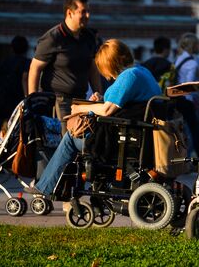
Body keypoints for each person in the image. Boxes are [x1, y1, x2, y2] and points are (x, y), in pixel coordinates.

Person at [24, 39, 161, 196]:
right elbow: (126, 105)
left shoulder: (128, 76)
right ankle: (57, 185)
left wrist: (80, 107)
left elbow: (108, 110)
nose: (106, 74)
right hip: (138, 137)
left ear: (110, 63)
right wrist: (102, 99)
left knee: (70, 138)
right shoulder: (143, 71)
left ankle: (46, 187)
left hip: (122, 142)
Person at [28, 0, 102, 135]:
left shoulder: (89, 37)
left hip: (81, 100)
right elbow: (34, 68)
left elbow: (92, 68)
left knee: (82, 140)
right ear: (69, 12)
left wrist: (98, 93)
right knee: (64, 141)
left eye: (88, 11)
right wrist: (33, 100)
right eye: (83, 11)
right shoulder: (53, 37)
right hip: (59, 101)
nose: (88, 15)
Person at [0, 35, 31, 133]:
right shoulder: (27, 62)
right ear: (26, 48)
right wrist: (27, 97)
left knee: (1, 125)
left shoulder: (6, 61)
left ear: (12, 48)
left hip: (3, 99)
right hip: (18, 98)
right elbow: (24, 78)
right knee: (16, 126)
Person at [174, 33, 199, 158]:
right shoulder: (192, 63)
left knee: (183, 130)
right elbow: (189, 84)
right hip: (188, 100)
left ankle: (183, 156)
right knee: (194, 131)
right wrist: (194, 99)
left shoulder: (179, 59)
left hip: (177, 98)